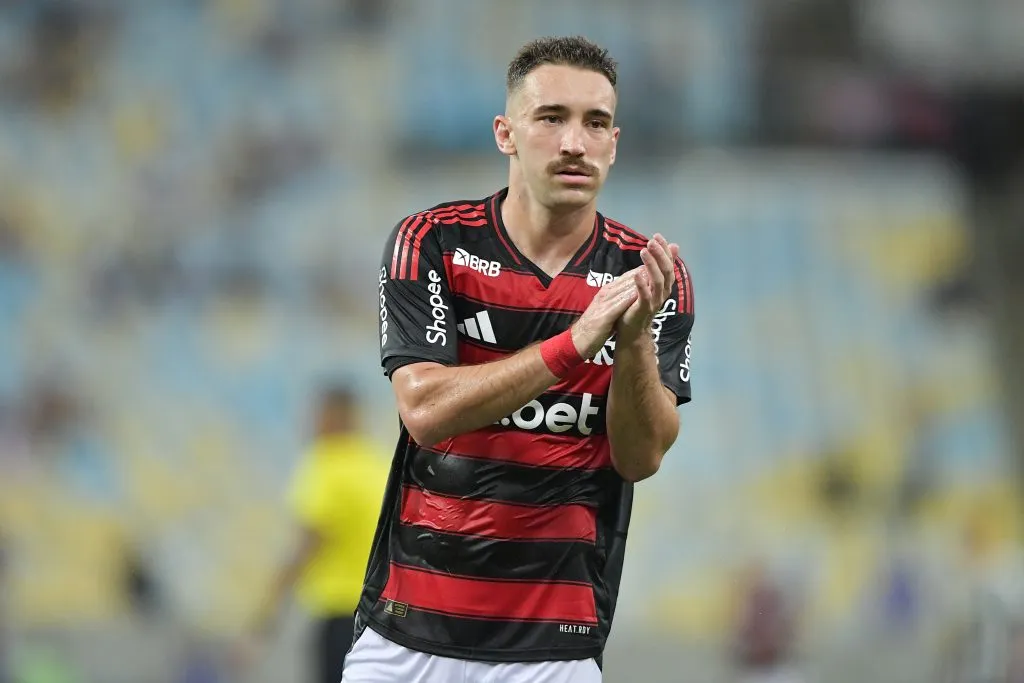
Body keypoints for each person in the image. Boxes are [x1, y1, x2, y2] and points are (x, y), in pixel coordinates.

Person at [345, 35, 695, 683]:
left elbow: (641, 456)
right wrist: (576, 343)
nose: (574, 143)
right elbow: (424, 409)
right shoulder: (434, 242)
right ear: (506, 133)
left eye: (595, 124)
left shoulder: (643, 275)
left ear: (614, 144)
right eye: (552, 117)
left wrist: (637, 336)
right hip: (404, 638)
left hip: (553, 652)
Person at [251, 384, 389, 683]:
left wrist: (267, 610)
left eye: (316, 412)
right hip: (381, 615)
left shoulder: (327, 463)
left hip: (338, 612)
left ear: (334, 415)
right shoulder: (378, 463)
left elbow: (309, 541)